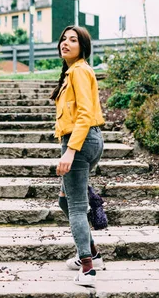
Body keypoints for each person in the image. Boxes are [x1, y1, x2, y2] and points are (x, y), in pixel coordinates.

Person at [50, 25, 106, 287]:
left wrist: (70, 151)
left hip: (79, 141)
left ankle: (87, 267)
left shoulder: (80, 71)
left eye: (73, 40)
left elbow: (84, 113)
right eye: (63, 39)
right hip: (86, 140)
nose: (65, 43)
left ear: (83, 47)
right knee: (65, 201)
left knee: (75, 206)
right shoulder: (73, 72)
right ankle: (93, 252)